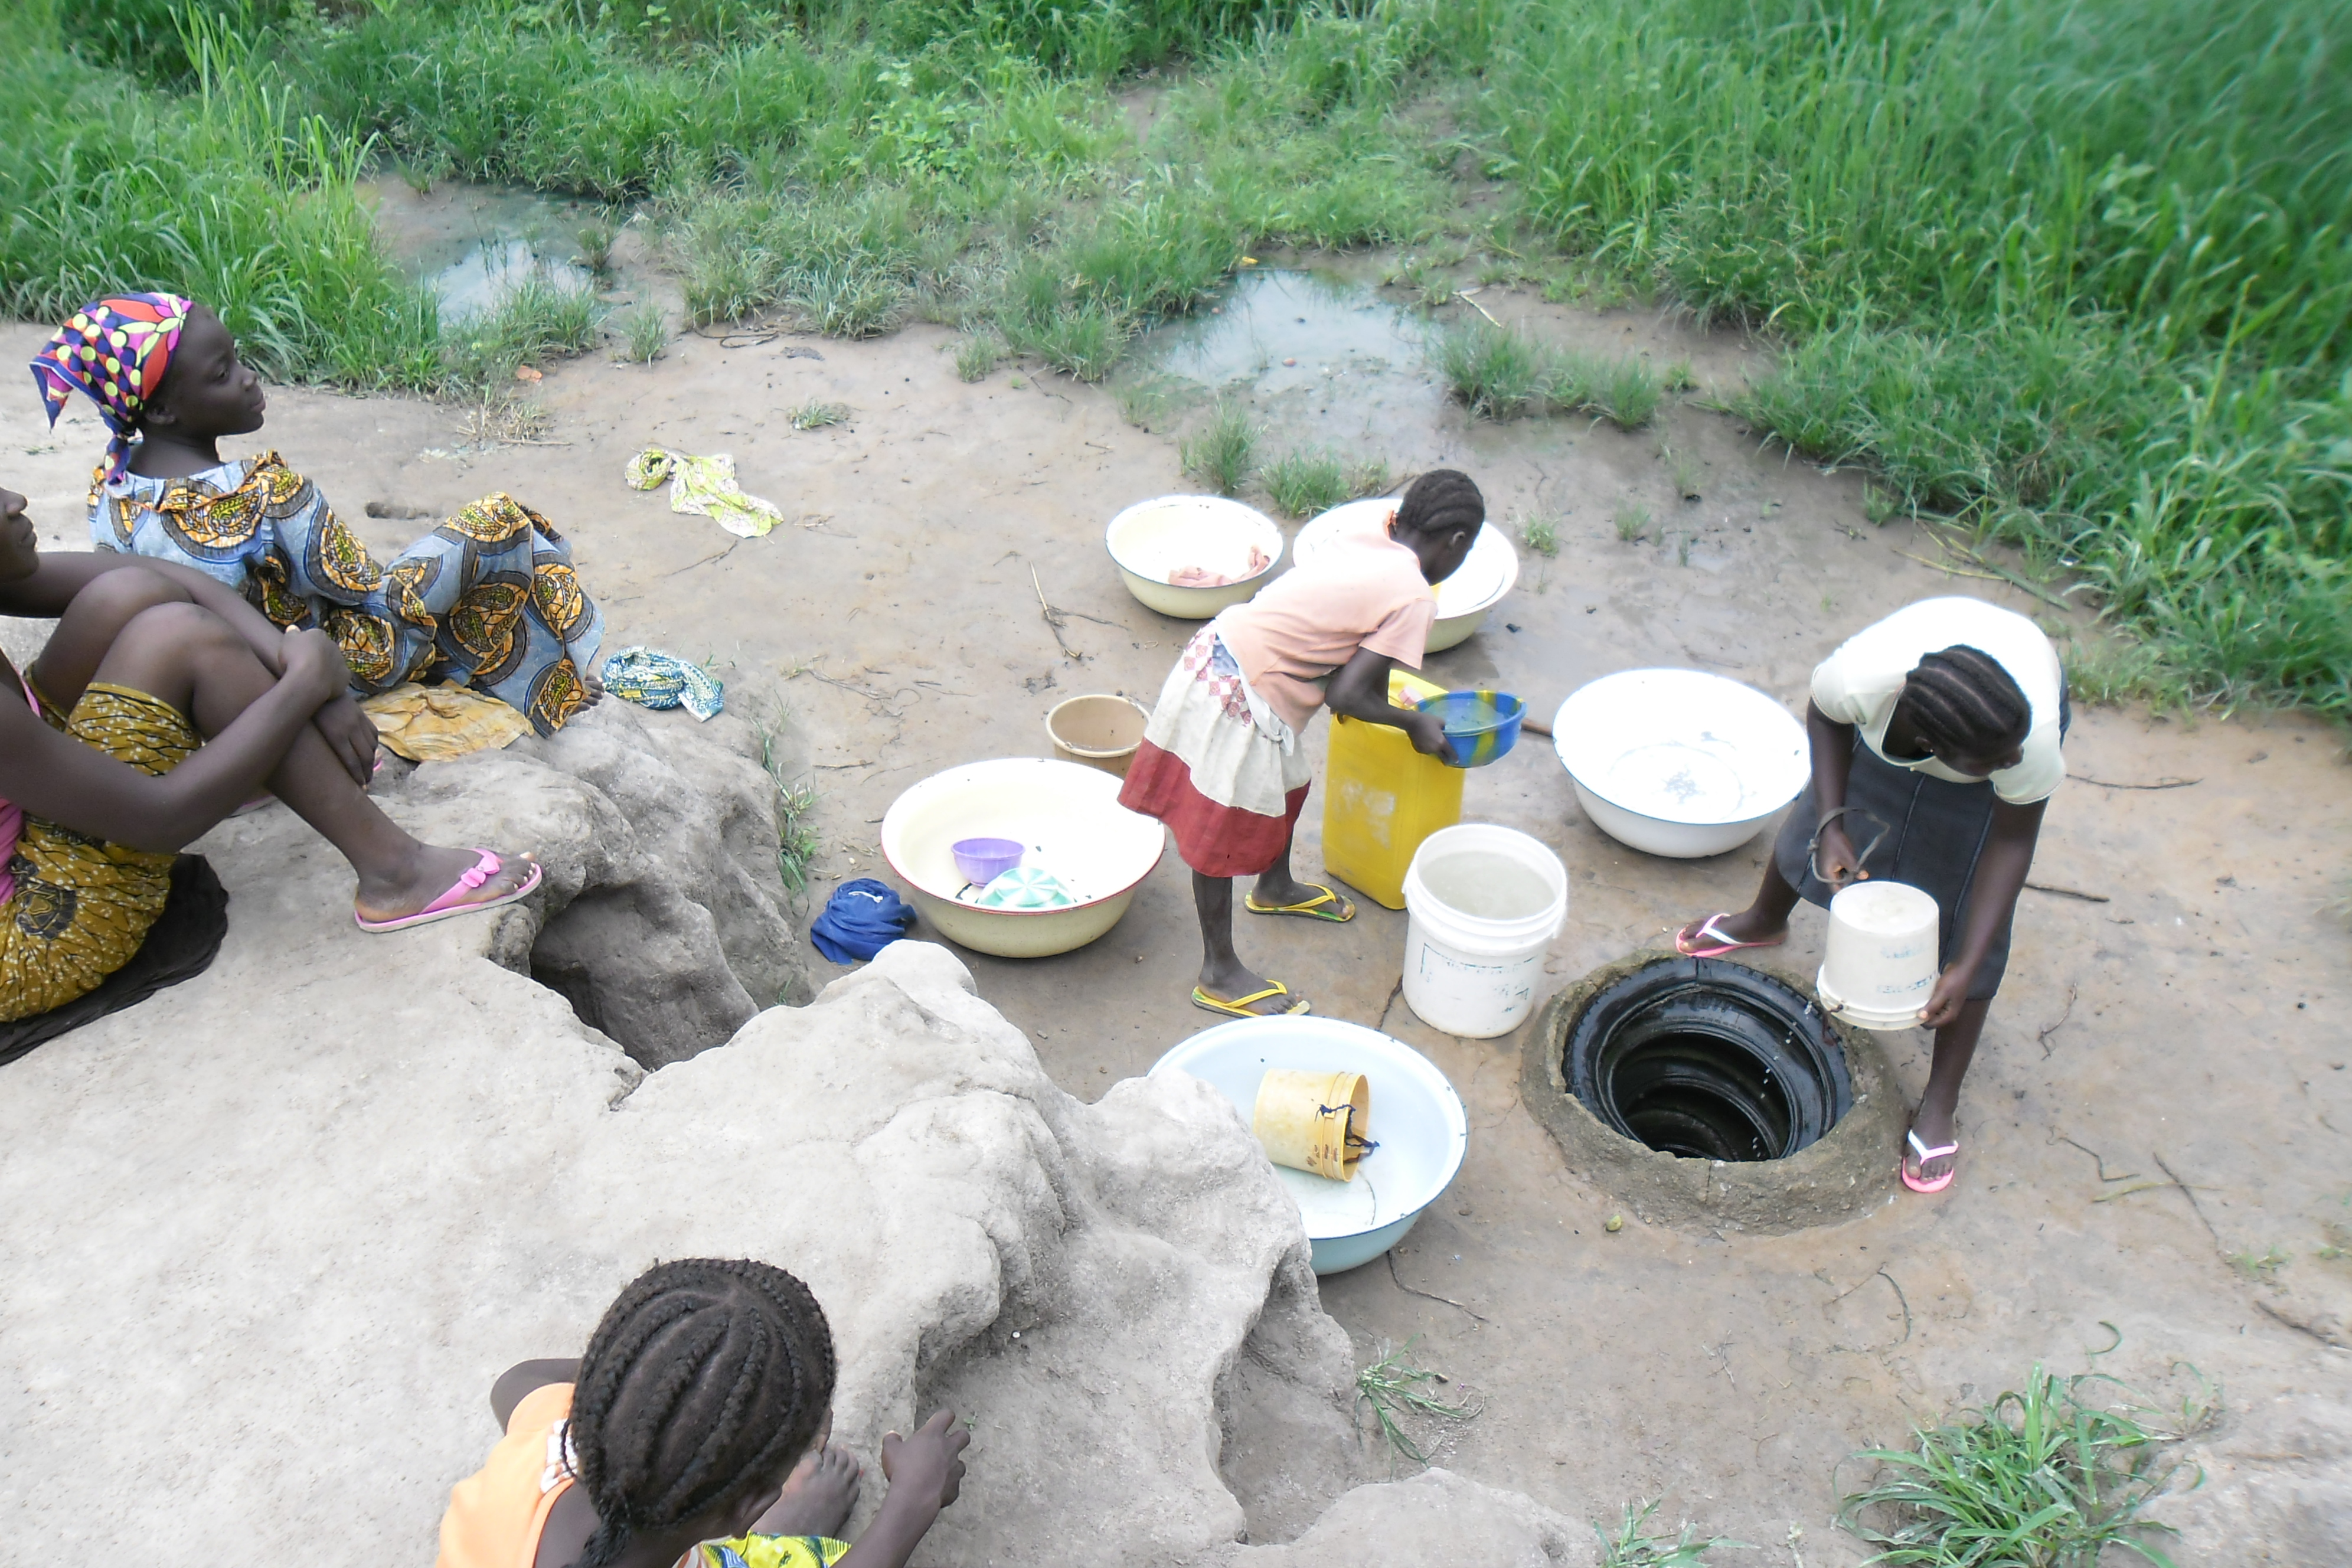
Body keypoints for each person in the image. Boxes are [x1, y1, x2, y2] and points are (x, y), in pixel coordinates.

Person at [0, 483, 545, 1023]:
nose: (14, 500)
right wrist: (301, 689)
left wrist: (296, 663)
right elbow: (158, 819)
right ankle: (397, 873)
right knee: (181, 640)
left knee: (127, 595)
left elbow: (170, 579)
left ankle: (250, 751)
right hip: (31, 935)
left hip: (31, 787)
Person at [30, 292, 602, 736]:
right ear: (160, 410)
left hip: (219, 698)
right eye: (223, 373)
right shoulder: (268, 492)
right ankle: (562, 684)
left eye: (237, 359)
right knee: (501, 523)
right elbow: (358, 588)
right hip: (323, 671)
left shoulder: (111, 490)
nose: (249, 377)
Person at [1672, 596, 2068, 1194]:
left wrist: (1962, 964)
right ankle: (1763, 920)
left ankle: (1940, 1101)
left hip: (1990, 703)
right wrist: (1833, 820)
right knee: (1819, 830)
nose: (2010, 764)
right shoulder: (1858, 680)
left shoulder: (2024, 739)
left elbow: (2011, 845)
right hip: (1924, 714)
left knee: (1970, 918)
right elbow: (1827, 721)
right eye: (1994, 763)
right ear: (1934, 745)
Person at [1120, 469, 1481, 1018]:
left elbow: (1356, 637)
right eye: (1466, 552)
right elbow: (1346, 695)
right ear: (1456, 542)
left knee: (1289, 783)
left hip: (1223, 647)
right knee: (1222, 821)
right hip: (1243, 691)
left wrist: (1385, 704)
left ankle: (1275, 887)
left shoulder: (1373, 531)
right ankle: (1218, 972)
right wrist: (1413, 725)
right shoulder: (1415, 598)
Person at [437, 1257, 969, 1568]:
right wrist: (914, 1498)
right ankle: (779, 1537)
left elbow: (517, 1382)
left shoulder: (541, 1453)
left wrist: (652, 1371)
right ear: (749, 1508)